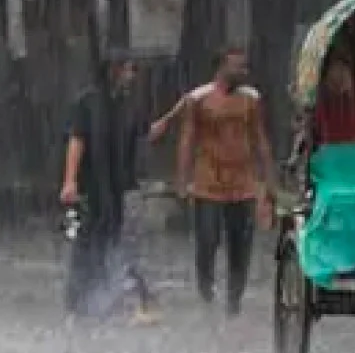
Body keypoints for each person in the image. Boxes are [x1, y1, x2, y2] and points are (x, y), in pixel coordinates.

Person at [60, 48, 159, 323]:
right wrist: (69, 181)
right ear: (114, 71)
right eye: (128, 69)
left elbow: (147, 132)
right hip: (92, 185)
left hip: (117, 186)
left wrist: (180, 111)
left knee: (112, 239)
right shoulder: (88, 103)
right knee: (89, 242)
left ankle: (106, 298)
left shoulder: (126, 105)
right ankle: (78, 302)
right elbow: (76, 141)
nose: (132, 76)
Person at [175, 46, 275, 315]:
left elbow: (259, 138)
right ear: (221, 67)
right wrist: (182, 181)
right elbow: (187, 138)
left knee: (240, 244)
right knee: (207, 239)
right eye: (237, 66)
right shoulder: (199, 99)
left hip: (243, 183)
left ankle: (234, 298)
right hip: (208, 181)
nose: (243, 72)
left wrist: (269, 182)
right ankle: (206, 288)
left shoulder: (251, 99)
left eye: (244, 67)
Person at [314, 50, 355, 145]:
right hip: (332, 149)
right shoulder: (323, 93)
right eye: (336, 67)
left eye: (343, 68)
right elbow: (320, 125)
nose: (339, 73)